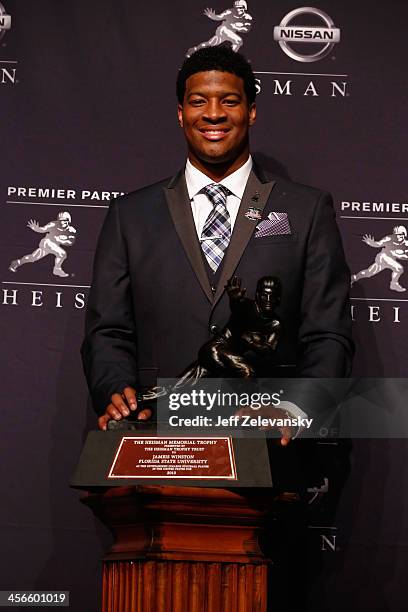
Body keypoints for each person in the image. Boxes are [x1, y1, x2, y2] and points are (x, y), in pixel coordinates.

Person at [81, 45, 353, 438]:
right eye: (198, 101)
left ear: (252, 111)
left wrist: (294, 409)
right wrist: (113, 388)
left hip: (268, 442)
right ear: (180, 114)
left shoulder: (307, 210)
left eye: (229, 100)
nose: (213, 113)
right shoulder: (130, 215)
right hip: (157, 437)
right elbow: (107, 330)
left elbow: (328, 333)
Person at [9, 211, 76, 278]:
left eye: (64, 220)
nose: (62, 222)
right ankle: (57, 269)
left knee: (33, 258)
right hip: (46, 242)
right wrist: (37, 229)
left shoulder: (71, 230)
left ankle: (17, 262)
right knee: (62, 253)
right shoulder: (53, 224)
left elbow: (70, 243)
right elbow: (43, 229)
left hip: (54, 246)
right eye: (60, 220)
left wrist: (60, 240)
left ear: (69, 220)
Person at [351, 226, 408, 292]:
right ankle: (393, 284)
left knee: (368, 273)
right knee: (399, 268)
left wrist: (399, 255)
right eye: (396, 235)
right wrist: (372, 243)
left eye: (400, 235)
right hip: (383, 257)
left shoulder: (406, 244)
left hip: (391, 259)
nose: (398, 237)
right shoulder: (389, 238)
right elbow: (378, 244)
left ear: (404, 234)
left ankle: (354, 277)